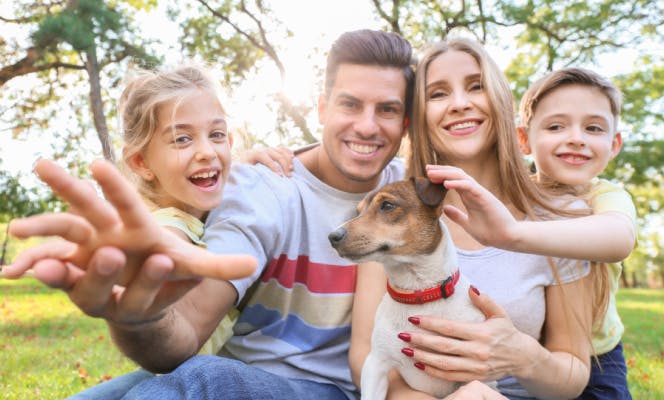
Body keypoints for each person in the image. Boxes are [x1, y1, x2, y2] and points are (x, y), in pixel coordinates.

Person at [5, 29, 416, 399]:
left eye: (387, 110)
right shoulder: (264, 189)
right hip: (245, 376)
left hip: (331, 390)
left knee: (205, 378)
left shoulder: (417, 195)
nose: (367, 126)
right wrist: (140, 316)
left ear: (406, 122)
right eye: (351, 105)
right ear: (323, 108)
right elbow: (188, 325)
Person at [350, 37, 595, 399]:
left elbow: (573, 373)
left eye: (476, 86)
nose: (460, 104)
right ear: (418, 116)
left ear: (499, 98)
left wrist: (521, 355)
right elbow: (366, 355)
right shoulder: (390, 206)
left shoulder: (561, 216)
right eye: (437, 94)